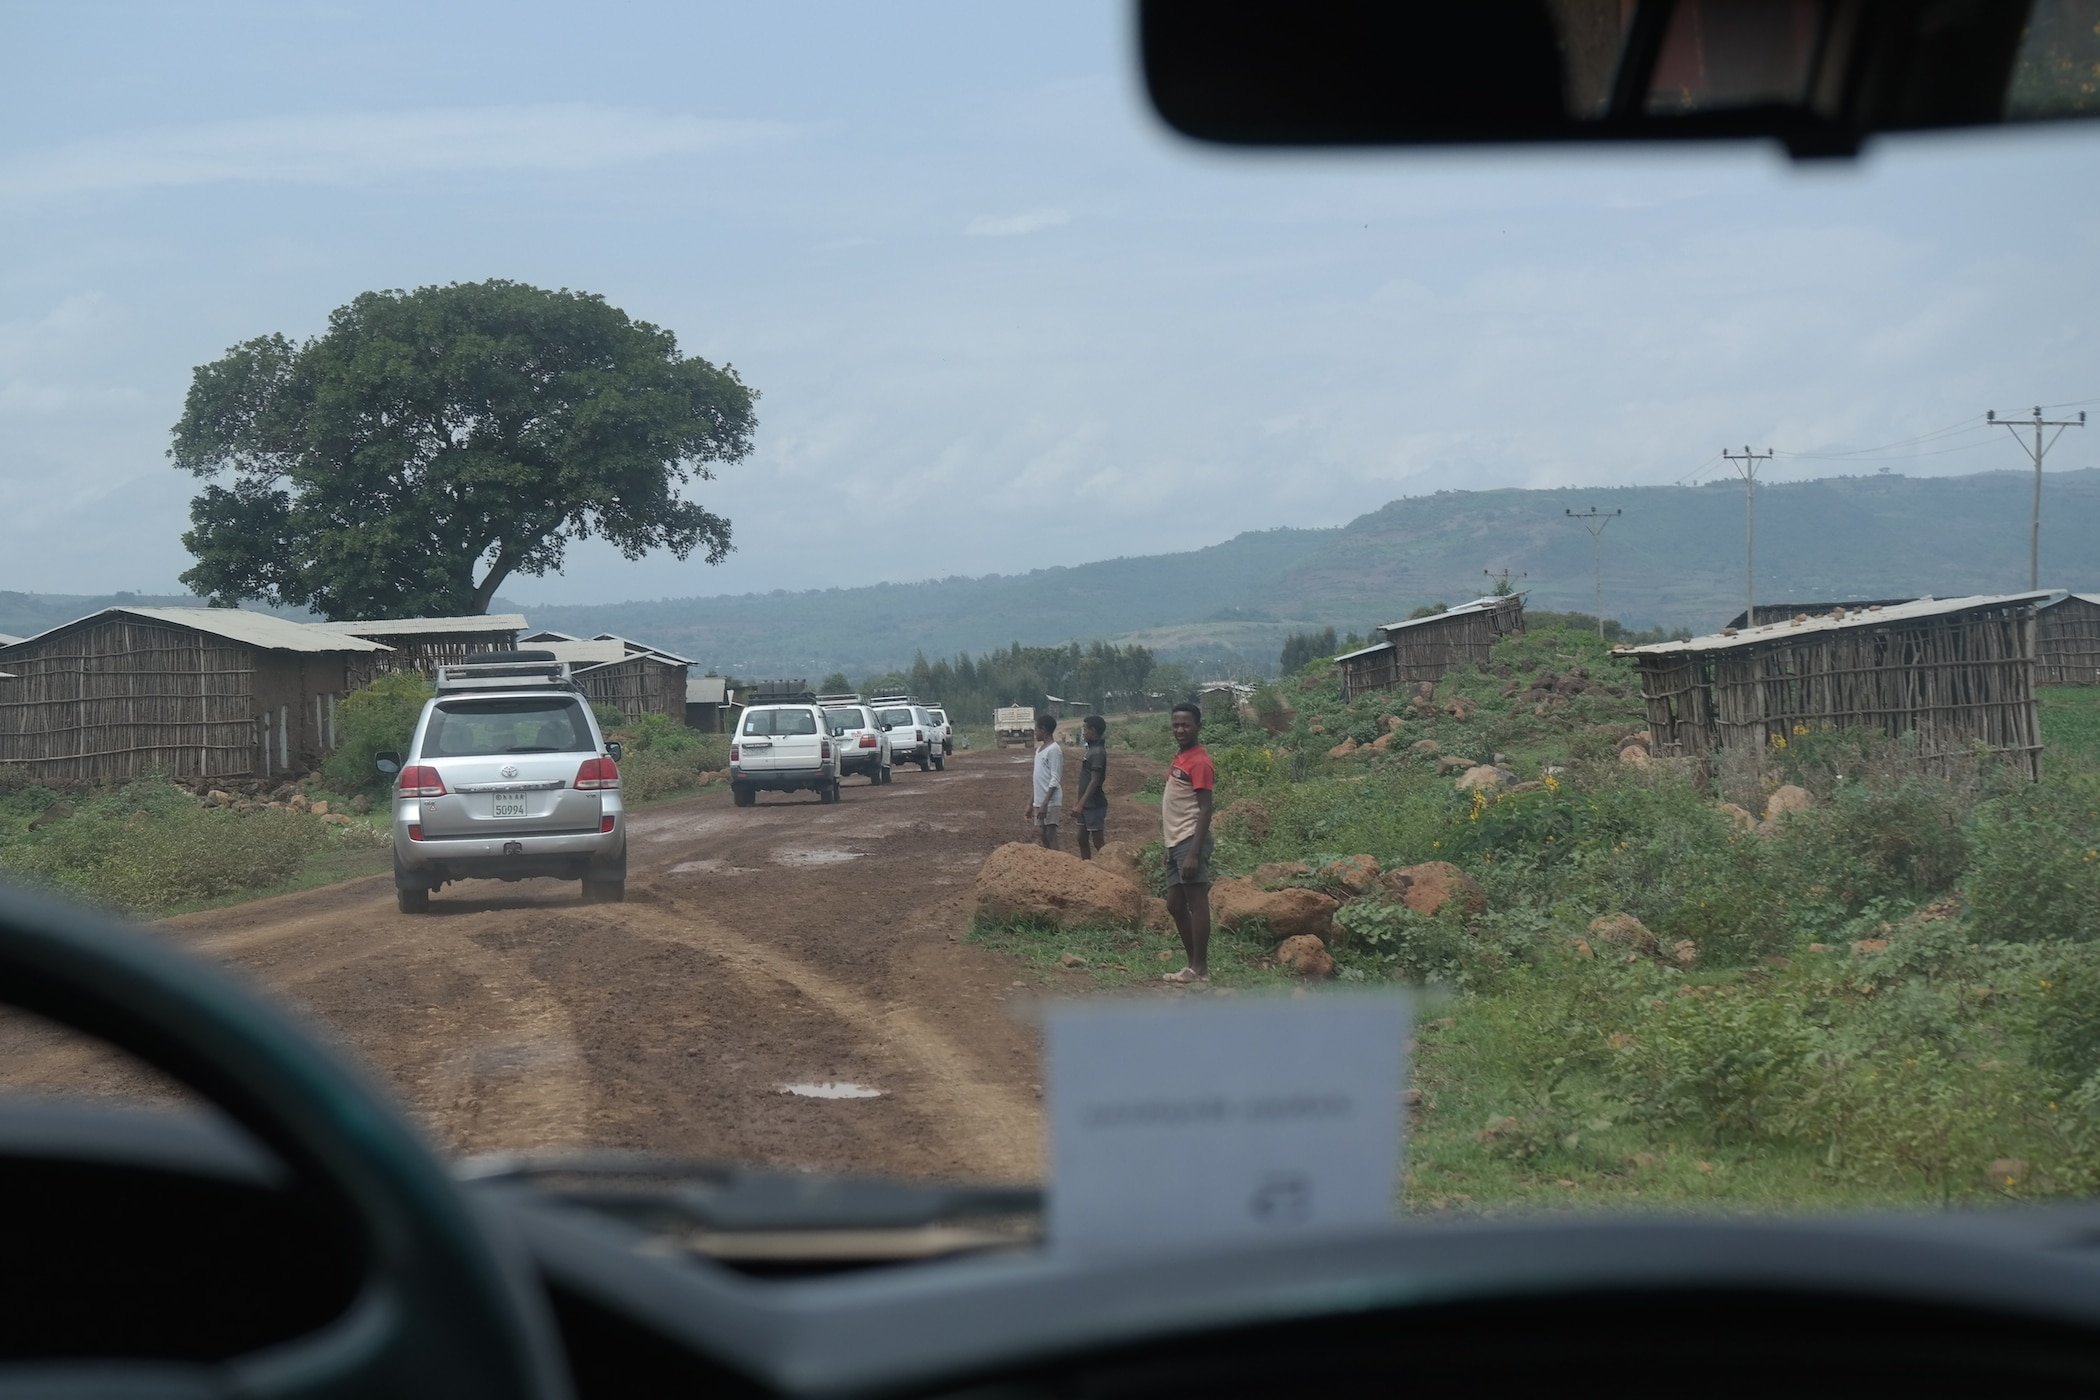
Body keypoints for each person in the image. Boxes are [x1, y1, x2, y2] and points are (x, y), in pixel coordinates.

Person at [1160, 701, 1215, 984]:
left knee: (1196, 900)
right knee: (1174, 905)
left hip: (1190, 840)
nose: (1180, 730)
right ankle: (1194, 965)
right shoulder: (1181, 756)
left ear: (1197, 727)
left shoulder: (1200, 761)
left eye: (1185, 725)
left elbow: (1206, 808)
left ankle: (1199, 968)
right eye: (1176, 725)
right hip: (1176, 842)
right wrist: (1169, 847)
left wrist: (1193, 853)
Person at [1067, 714, 1109, 858]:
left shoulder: (1097, 753)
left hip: (1094, 804)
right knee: (1081, 838)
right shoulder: (1091, 750)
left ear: (1093, 730)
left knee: (1098, 841)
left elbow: (1094, 781)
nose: (1083, 733)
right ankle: (1087, 867)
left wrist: (1080, 804)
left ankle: (1110, 867)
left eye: (1085, 730)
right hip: (1086, 804)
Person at [1024, 713, 1063, 849]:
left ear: (1044, 730)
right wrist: (1031, 803)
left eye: (1037, 729)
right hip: (1040, 801)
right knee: (1042, 834)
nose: (1035, 733)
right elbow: (1038, 779)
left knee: (1050, 834)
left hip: (1050, 801)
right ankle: (1049, 864)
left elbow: (1055, 778)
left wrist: (1045, 803)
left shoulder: (1054, 750)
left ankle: (1057, 863)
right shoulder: (1039, 750)